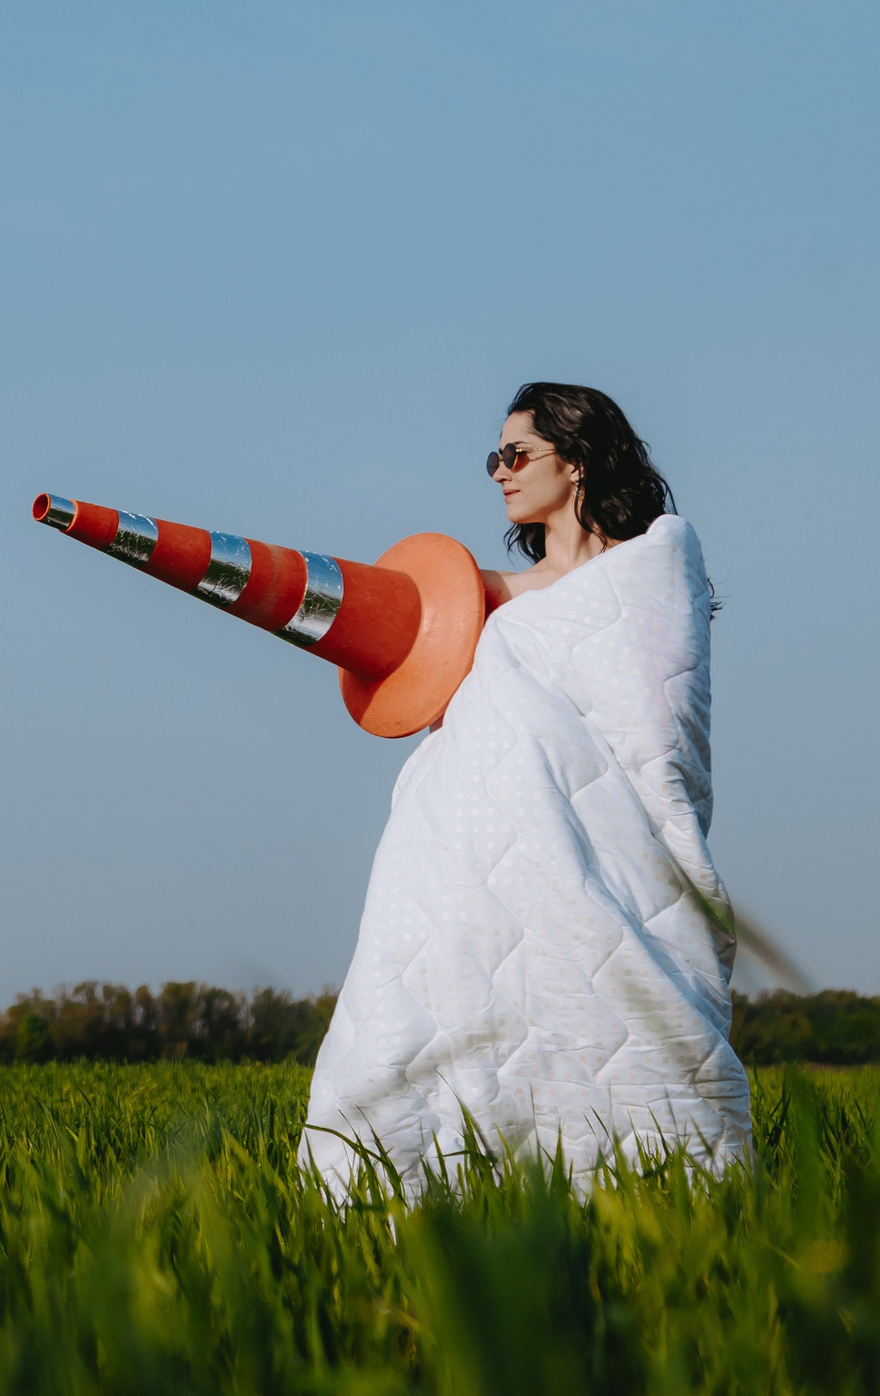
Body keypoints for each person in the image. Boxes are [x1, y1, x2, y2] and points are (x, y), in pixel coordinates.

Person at [301, 382, 746, 1194]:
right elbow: (416, 625)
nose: (499, 472)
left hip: (607, 832)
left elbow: (655, 718)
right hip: (470, 840)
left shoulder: (652, 570)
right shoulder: (491, 595)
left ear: (574, 463)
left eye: (516, 454)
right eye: (493, 458)